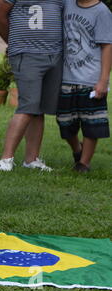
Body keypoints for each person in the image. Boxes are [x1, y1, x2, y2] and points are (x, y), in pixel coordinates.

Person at [0, 0, 65, 172]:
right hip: (27, 54)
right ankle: (5, 159)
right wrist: (14, 42)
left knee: (38, 109)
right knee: (28, 105)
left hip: (54, 54)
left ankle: (31, 159)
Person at [56, 0, 112, 172]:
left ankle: (84, 163)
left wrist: (103, 80)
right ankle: (77, 150)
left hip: (90, 79)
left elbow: (107, 46)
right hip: (66, 77)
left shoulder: (102, 11)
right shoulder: (67, 4)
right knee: (64, 121)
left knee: (92, 123)